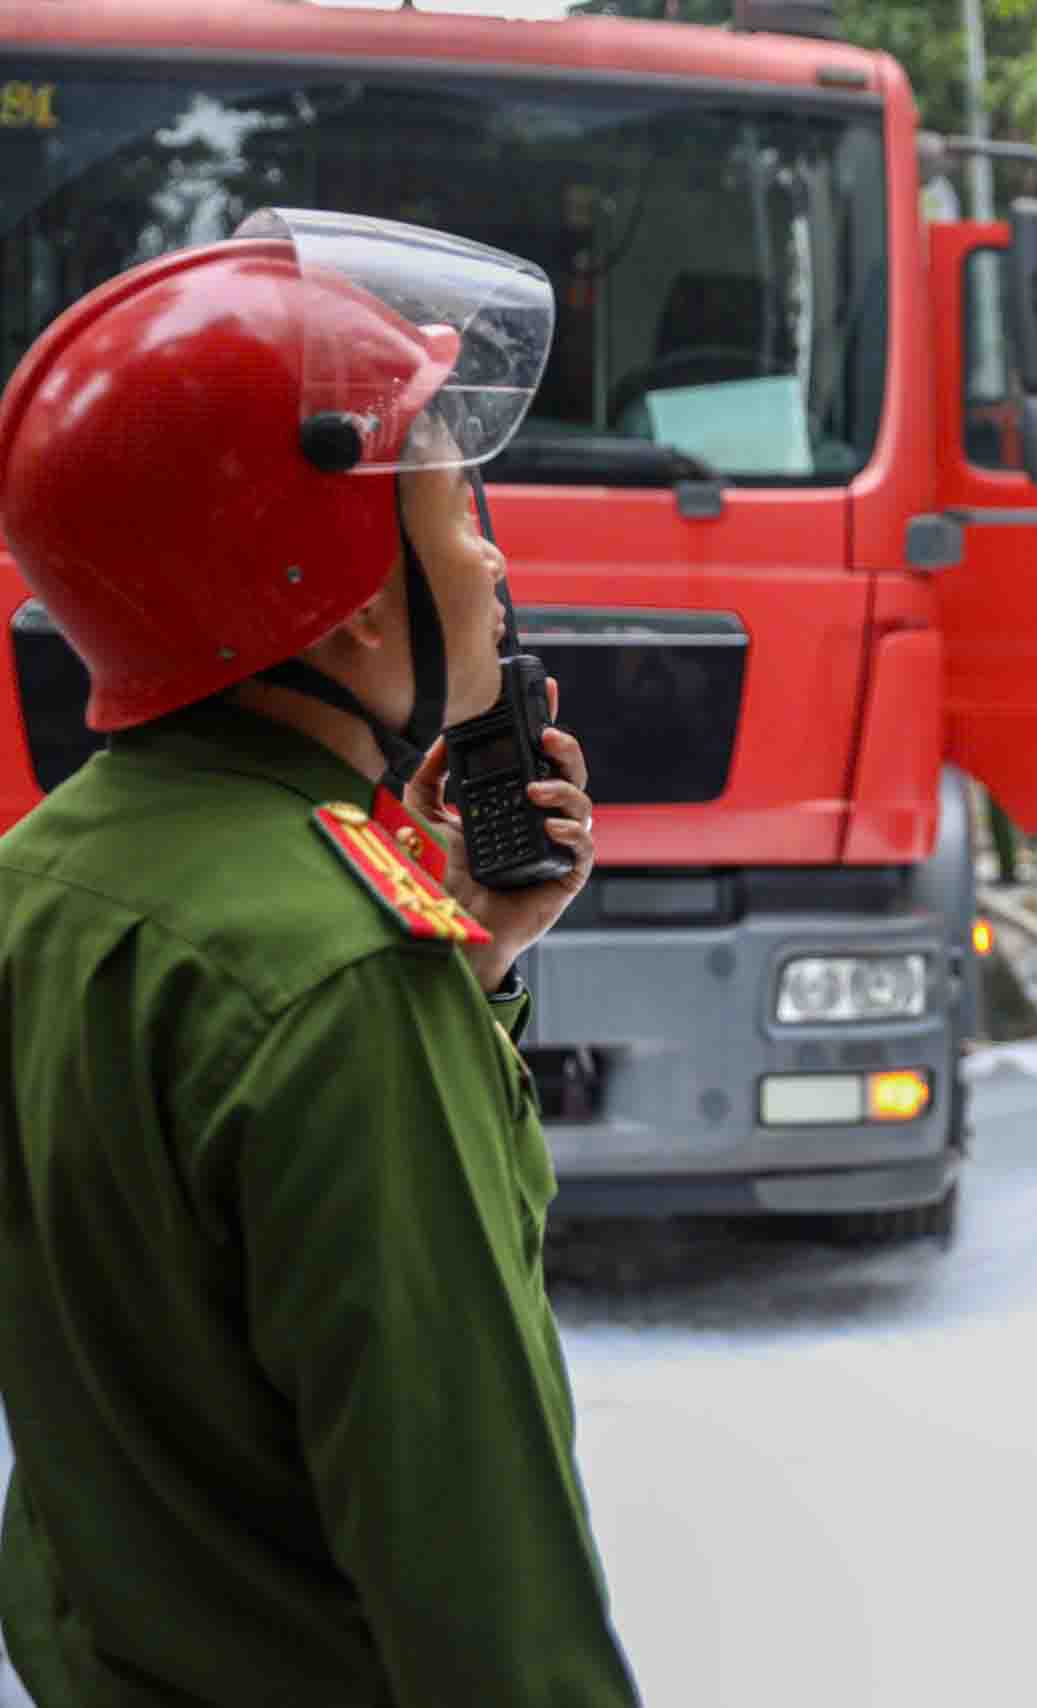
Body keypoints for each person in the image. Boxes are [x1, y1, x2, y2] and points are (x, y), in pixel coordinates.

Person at [0, 212, 639, 1704]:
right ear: (347, 603)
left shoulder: (42, 884)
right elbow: (484, 1575)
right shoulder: (342, 978)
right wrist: (417, 985)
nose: (488, 559)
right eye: (457, 510)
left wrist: (471, 961)